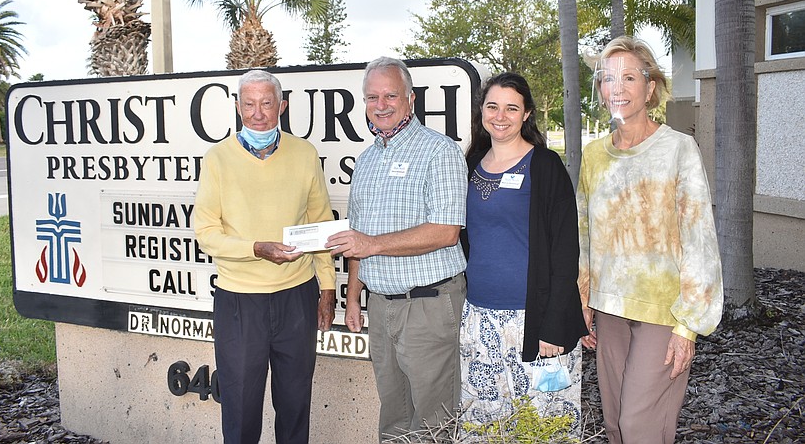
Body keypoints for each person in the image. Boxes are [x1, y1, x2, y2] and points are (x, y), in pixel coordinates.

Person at [578, 36, 723, 444]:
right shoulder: (593, 155)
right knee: (613, 426)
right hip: (608, 308)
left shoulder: (679, 149)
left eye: (628, 77)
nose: (617, 88)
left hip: (664, 312)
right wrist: (584, 298)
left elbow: (700, 240)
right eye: (608, 79)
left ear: (650, 87)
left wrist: (688, 327)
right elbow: (584, 233)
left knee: (640, 427)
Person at [325, 56, 468, 442]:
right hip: (381, 305)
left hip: (428, 306)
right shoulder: (368, 159)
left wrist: (371, 244)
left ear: (411, 98)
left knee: (434, 420)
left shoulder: (440, 151)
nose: (381, 105)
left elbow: (446, 231)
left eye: (390, 95)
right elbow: (358, 236)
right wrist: (353, 296)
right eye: (372, 97)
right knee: (394, 417)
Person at [193, 70, 336, 444]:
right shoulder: (218, 159)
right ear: (237, 107)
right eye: (249, 104)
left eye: (267, 103)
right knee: (240, 413)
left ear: (282, 107)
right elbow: (206, 234)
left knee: (294, 408)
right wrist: (256, 248)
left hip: (297, 298)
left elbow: (320, 224)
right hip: (240, 302)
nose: (258, 113)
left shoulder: (304, 154)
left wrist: (327, 287)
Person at [460, 72, 587, 428]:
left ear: (527, 114)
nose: (500, 116)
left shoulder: (545, 167)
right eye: (493, 106)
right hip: (479, 321)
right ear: (481, 111)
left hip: (534, 321)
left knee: (541, 429)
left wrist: (553, 325)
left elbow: (565, 253)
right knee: (483, 428)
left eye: (511, 108)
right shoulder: (469, 167)